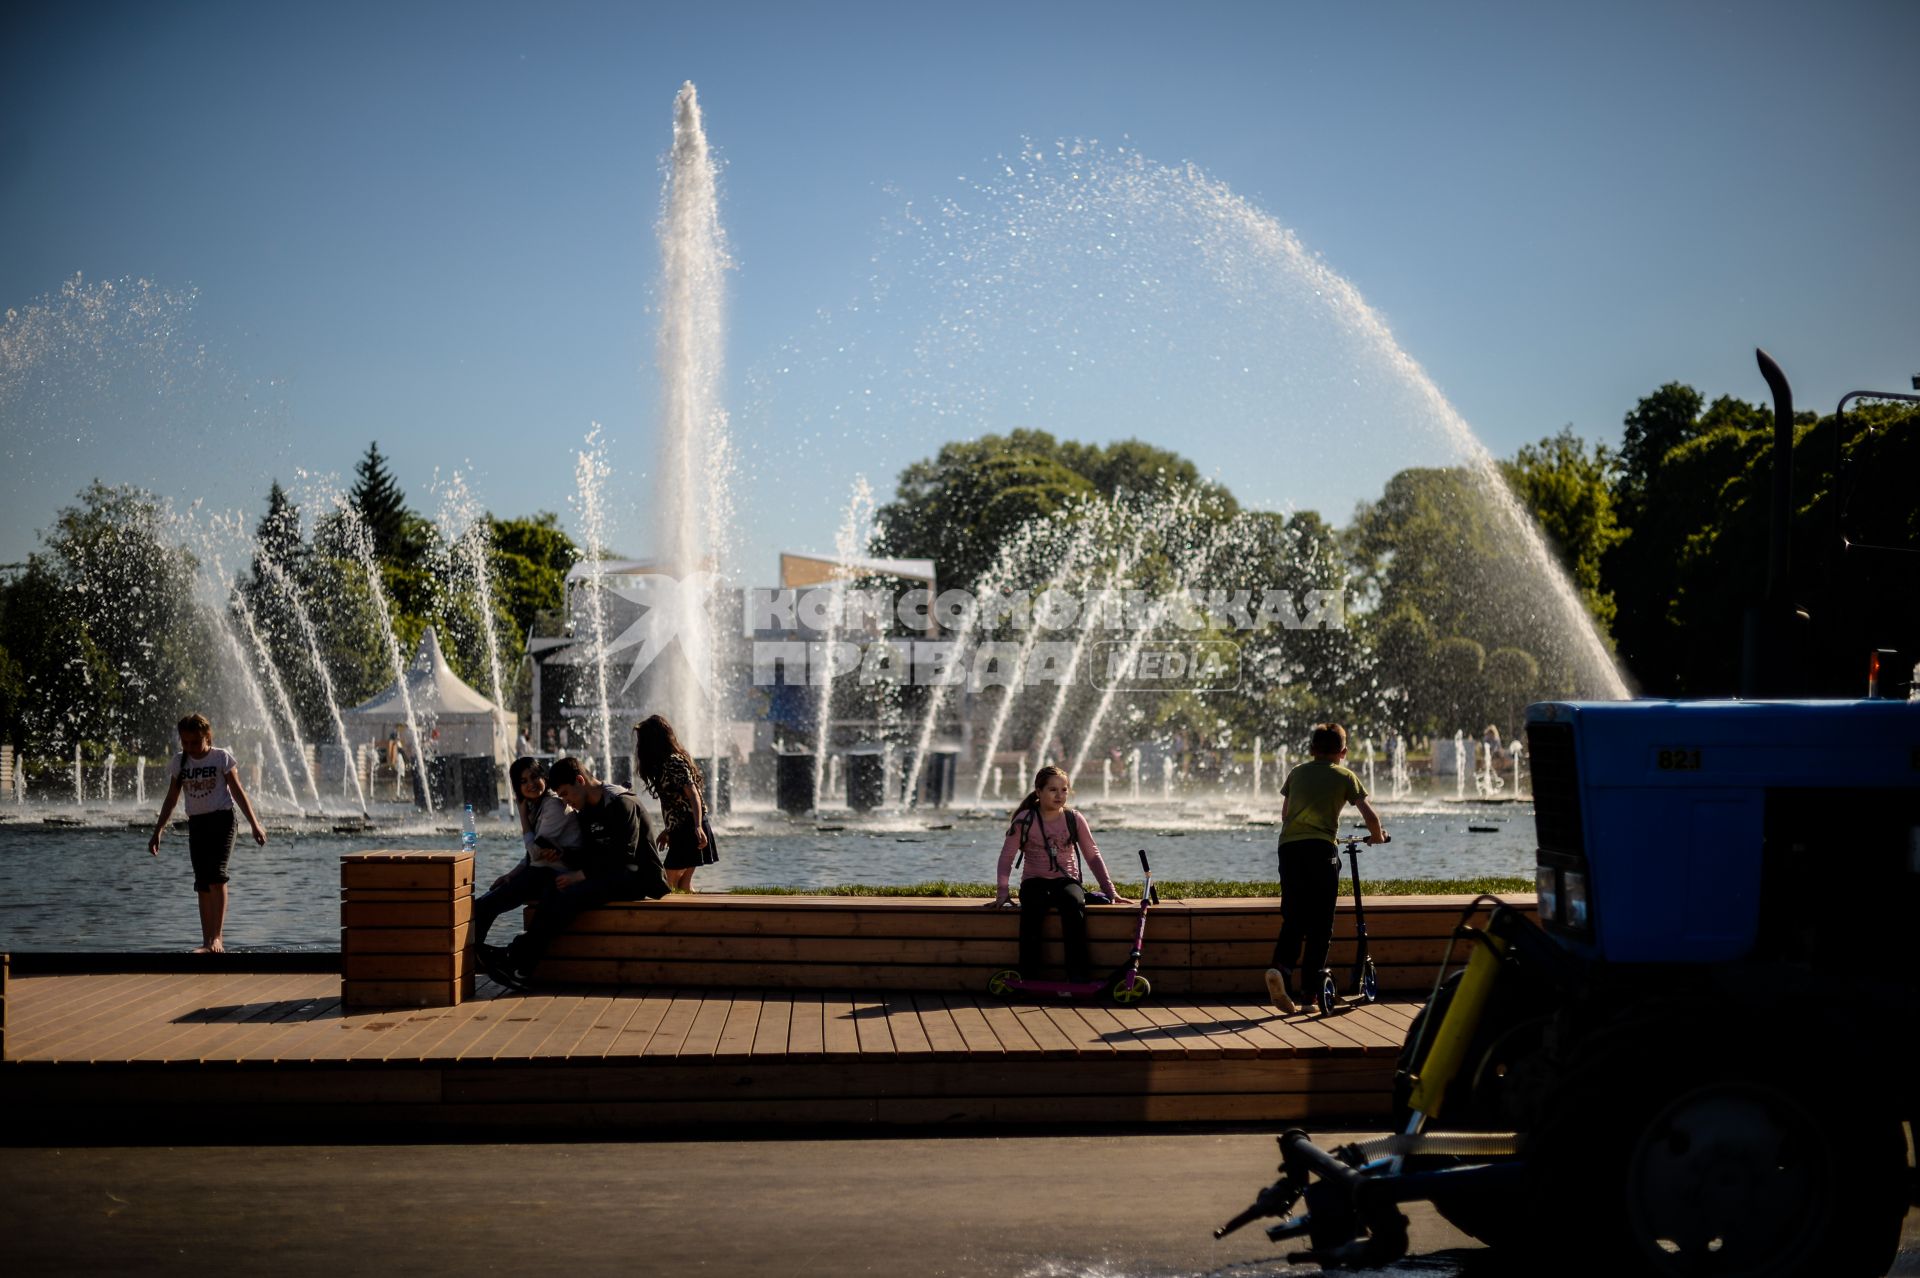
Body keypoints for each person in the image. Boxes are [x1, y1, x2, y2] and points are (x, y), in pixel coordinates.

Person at [479, 756, 669, 989]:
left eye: (566, 794)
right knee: (556, 888)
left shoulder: (620, 802)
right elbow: (591, 854)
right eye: (561, 797)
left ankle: (516, 960)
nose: (566, 801)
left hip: (638, 878)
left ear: (580, 780)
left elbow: (625, 857)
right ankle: (520, 964)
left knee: (568, 893)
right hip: (610, 874)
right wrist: (562, 854)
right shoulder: (586, 809)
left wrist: (581, 875)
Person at [1265, 722, 1386, 1013]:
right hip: (1321, 850)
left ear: (1311, 749)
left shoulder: (1296, 772)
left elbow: (1285, 814)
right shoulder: (1345, 776)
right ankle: (1310, 995)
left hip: (1289, 849)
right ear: (1343, 752)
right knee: (1321, 924)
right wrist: (1378, 836)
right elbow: (1369, 815)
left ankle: (1280, 969)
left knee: (1293, 916)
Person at [146, 713, 267, 954]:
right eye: (185, 742)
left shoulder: (220, 758)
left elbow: (238, 791)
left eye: (195, 742)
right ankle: (206, 941)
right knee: (202, 881)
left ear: (207, 737)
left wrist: (255, 824)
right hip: (197, 823)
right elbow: (172, 798)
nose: (189, 747)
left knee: (217, 875)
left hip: (222, 820)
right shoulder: (180, 762)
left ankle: (217, 938)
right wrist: (158, 830)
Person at [991, 765, 1124, 983]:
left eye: (1064, 790)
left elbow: (1093, 856)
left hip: (1066, 881)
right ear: (1038, 791)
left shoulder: (1074, 818)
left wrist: (1111, 891)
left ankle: (1078, 976)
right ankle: (1029, 975)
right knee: (1033, 909)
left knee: (1073, 904)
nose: (1059, 795)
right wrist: (1002, 892)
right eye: (1052, 790)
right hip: (1034, 881)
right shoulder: (1024, 820)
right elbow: (1006, 857)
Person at [470, 756, 580, 949]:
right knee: (484, 904)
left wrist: (522, 816)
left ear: (544, 777)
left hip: (555, 877)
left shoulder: (553, 806)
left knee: (484, 906)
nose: (531, 784)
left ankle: (472, 957)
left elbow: (536, 852)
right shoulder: (538, 806)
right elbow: (532, 855)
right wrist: (510, 875)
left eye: (534, 776)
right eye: (523, 781)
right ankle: (474, 954)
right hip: (541, 873)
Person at [634, 714, 717, 892]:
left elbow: (694, 795)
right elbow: (678, 802)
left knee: (667, 884)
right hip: (684, 827)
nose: (640, 745)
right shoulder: (668, 762)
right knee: (683, 885)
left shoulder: (673, 761)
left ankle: (670, 918)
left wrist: (697, 827)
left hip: (689, 828)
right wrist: (669, 830)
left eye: (643, 740)